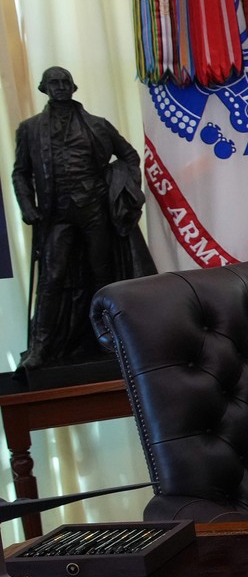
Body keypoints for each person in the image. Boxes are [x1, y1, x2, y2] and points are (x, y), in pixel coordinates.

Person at [13, 66, 154, 369]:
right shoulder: (30, 128)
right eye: (55, 82)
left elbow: (129, 156)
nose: (61, 87)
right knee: (52, 278)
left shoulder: (98, 125)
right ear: (44, 88)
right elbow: (20, 173)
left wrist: (121, 187)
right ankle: (41, 346)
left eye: (66, 82)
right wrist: (27, 206)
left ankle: (107, 339)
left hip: (93, 210)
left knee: (101, 275)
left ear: (74, 87)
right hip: (56, 214)